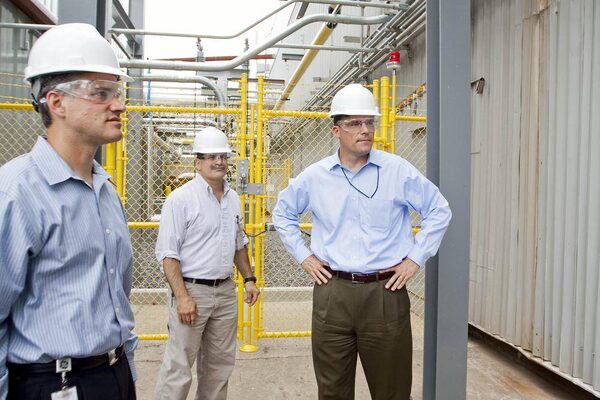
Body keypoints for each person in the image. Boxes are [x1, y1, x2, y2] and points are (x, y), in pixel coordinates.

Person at [272, 83, 452, 400]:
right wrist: (304, 256)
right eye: (355, 123)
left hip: (385, 293)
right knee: (332, 391)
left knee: (392, 391)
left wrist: (414, 260)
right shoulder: (315, 177)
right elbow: (282, 214)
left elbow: (439, 210)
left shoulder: (396, 171)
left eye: (369, 122)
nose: (365, 130)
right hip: (333, 292)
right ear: (336, 131)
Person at [0, 23, 138, 400]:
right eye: (101, 93)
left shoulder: (105, 190)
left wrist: (127, 371)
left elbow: (118, 297)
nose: (119, 105)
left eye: (118, 92)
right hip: (51, 383)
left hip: (113, 375)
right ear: (56, 102)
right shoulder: (16, 192)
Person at [154, 127, 260, 400]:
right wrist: (182, 297)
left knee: (219, 368)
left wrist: (249, 279)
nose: (219, 162)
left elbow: (238, 243)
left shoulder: (233, 199)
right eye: (212, 156)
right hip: (192, 291)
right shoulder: (181, 199)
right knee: (179, 367)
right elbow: (168, 254)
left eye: (223, 156)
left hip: (224, 292)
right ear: (197, 162)